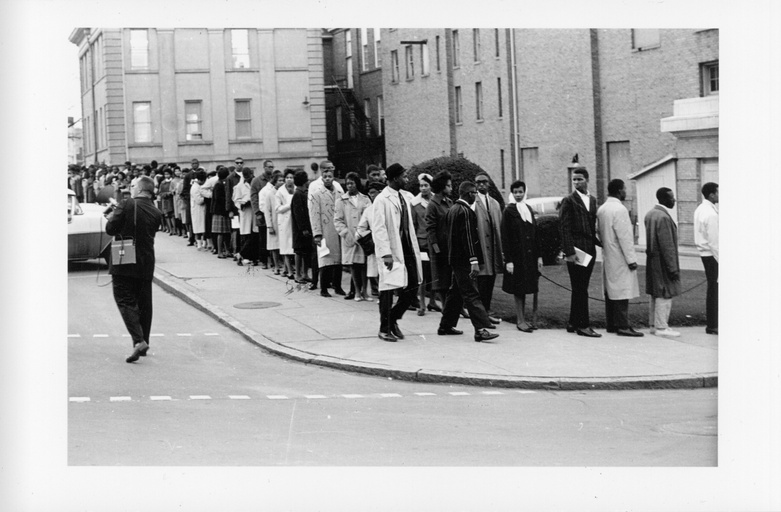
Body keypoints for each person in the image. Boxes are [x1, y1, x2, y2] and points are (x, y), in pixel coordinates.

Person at [105, 176, 163, 363]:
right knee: (144, 302)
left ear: (139, 189)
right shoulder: (156, 211)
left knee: (124, 298)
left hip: (125, 259)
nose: (130, 189)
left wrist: (111, 216)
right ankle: (144, 341)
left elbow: (111, 228)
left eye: (132, 186)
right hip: (146, 261)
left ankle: (138, 340)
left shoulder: (127, 204)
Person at [438, 181, 499, 342]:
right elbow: (469, 239)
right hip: (465, 260)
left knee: (456, 293)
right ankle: (481, 329)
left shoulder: (452, 210)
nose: (476, 195)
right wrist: (474, 260)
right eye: (474, 193)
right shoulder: (465, 211)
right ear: (468, 194)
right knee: (471, 293)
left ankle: (445, 325)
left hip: (455, 259)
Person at [370, 163, 423, 342]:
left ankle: (393, 319)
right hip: (391, 250)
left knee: (413, 286)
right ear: (394, 178)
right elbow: (378, 228)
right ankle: (384, 328)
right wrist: (386, 253)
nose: (407, 179)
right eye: (404, 176)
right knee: (388, 289)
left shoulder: (403, 197)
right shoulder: (381, 199)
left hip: (406, 248)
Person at [596, 179, 643, 337]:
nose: (626, 192)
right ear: (618, 191)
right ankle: (623, 325)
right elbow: (625, 237)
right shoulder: (619, 209)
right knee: (622, 291)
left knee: (611, 290)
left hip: (608, 254)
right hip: (620, 256)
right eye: (624, 189)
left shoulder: (602, 209)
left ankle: (612, 324)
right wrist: (631, 259)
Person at [559, 166, 601, 337]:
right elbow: (563, 227)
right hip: (576, 251)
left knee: (580, 288)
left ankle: (573, 322)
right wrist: (569, 252)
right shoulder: (568, 200)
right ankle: (583, 325)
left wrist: (599, 242)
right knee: (580, 288)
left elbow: (591, 227)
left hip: (589, 249)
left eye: (579, 179)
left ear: (587, 180)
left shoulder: (592, 200)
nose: (576, 182)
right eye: (574, 179)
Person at [500, 180, 542, 332]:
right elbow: (505, 237)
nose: (518, 195)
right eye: (515, 192)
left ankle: (524, 319)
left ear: (525, 192)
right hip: (516, 258)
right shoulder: (509, 211)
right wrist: (508, 260)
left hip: (529, 256)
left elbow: (535, 234)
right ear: (512, 193)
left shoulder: (528, 209)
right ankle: (520, 320)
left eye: (520, 192)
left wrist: (539, 256)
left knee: (525, 287)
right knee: (518, 288)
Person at [644, 187, 682, 337]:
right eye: (671, 198)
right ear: (664, 199)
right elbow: (667, 246)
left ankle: (654, 325)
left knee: (655, 293)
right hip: (663, 262)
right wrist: (673, 268)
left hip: (653, 261)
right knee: (665, 293)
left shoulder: (650, 214)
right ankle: (661, 327)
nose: (674, 200)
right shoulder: (664, 217)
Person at [334, 172, 372, 301]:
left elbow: (370, 216)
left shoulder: (365, 199)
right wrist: (346, 233)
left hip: (363, 237)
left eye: (352, 183)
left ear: (357, 183)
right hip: (350, 238)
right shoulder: (341, 201)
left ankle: (365, 292)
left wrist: (366, 233)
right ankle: (356, 292)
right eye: (347, 183)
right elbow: (338, 220)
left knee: (365, 265)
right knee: (354, 266)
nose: (349, 186)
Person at [473, 172, 504, 324]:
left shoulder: (495, 204)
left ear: (489, 183)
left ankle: (487, 310)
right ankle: (482, 315)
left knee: (491, 279)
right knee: (482, 281)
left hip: (493, 248)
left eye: (484, 182)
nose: (481, 185)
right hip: (481, 249)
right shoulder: (473, 202)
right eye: (478, 183)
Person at [310, 166, 345, 297]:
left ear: (333, 178)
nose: (328, 179)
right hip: (325, 231)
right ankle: (323, 288)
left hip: (338, 230)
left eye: (330, 176)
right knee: (325, 259)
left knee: (338, 260)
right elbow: (314, 215)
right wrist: (317, 234)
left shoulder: (340, 193)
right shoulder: (316, 195)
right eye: (325, 177)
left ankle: (338, 286)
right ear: (322, 178)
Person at [411, 173, 440, 315]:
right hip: (422, 242)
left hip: (434, 243)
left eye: (426, 185)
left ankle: (433, 301)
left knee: (435, 273)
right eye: (421, 186)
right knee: (422, 274)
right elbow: (414, 225)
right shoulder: (415, 204)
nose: (423, 188)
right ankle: (422, 303)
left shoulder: (436, 201)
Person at [425, 171, 454, 310]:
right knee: (441, 281)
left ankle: (454, 309)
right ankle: (446, 310)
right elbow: (430, 228)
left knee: (451, 279)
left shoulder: (449, 202)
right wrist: (437, 249)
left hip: (450, 248)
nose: (451, 188)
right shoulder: (433, 205)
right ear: (442, 187)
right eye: (448, 186)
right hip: (440, 249)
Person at [693, 182, 719, 335]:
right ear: (711, 195)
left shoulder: (701, 209)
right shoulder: (711, 214)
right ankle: (713, 324)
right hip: (711, 254)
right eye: (717, 192)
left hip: (705, 253)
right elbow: (714, 242)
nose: (719, 195)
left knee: (713, 289)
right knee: (714, 290)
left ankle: (713, 323)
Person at [356, 180, 385, 298]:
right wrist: (368, 237)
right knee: (377, 270)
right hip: (374, 243)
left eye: (374, 192)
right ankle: (380, 293)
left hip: (387, 242)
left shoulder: (387, 207)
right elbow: (360, 228)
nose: (371, 195)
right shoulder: (369, 210)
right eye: (370, 193)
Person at [290, 170, 313, 283]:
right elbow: (298, 213)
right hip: (300, 230)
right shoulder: (298, 194)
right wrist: (303, 228)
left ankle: (305, 274)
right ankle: (298, 274)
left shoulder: (303, 193)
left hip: (305, 228)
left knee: (306, 251)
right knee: (299, 251)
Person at [234, 167, 259, 266]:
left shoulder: (254, 183)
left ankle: (252, 257)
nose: (248, 178)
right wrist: (243, 204)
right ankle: (243, 255)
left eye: (250, 176)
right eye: (246, 177)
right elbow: (236, 200)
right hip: (246, 212)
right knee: (247, 236)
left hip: (254, 212)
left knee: (255, 235)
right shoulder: (239, 186)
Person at [274, 169, 297, 278]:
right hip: (284, 221)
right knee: (285, 247)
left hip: (294, 220)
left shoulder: (297, 189)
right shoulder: (280, 192)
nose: (289, 180)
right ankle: (289, 271)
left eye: (291, 178)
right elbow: (277, 208)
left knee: (294, 246)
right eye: (287, 178)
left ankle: (292, 268)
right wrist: (289, 205)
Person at [261, 171, 283, 273]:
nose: (282, 182)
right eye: (279, 180)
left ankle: (285, 266)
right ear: (275, 181)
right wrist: (269, 225)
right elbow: (267, 210)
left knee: (283, 245)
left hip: (283, 223)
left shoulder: (284, 192)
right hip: (274, 223)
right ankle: (276, 266)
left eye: (283, 180)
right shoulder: (270, 194)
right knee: (274, 246)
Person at [250, 168, 270, 268]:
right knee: (263, 238)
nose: (271, 169)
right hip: (261, 213)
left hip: (271, 214)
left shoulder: (273, 178)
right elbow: (254, 198)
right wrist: (257, 212)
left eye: (272, 167)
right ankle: (264, 260)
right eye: (269, 167)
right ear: (264, 167)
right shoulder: (257, 181)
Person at [210, 167, 232, 258]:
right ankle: (220, 251)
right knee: (221, 233)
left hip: (221, 211)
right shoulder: (219, 185)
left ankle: (226, 250)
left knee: (226, 232)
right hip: (220, 211)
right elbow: (219, 199)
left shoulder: (220, 183)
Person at [190, 169, 208, 250]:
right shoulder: (195, 187)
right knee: (198, 227)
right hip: (197, 209)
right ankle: (199, 244)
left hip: (200, 209)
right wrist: (206, 199)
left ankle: (203, 243)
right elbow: (199, 200)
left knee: (202, 226)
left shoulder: (197, 186)